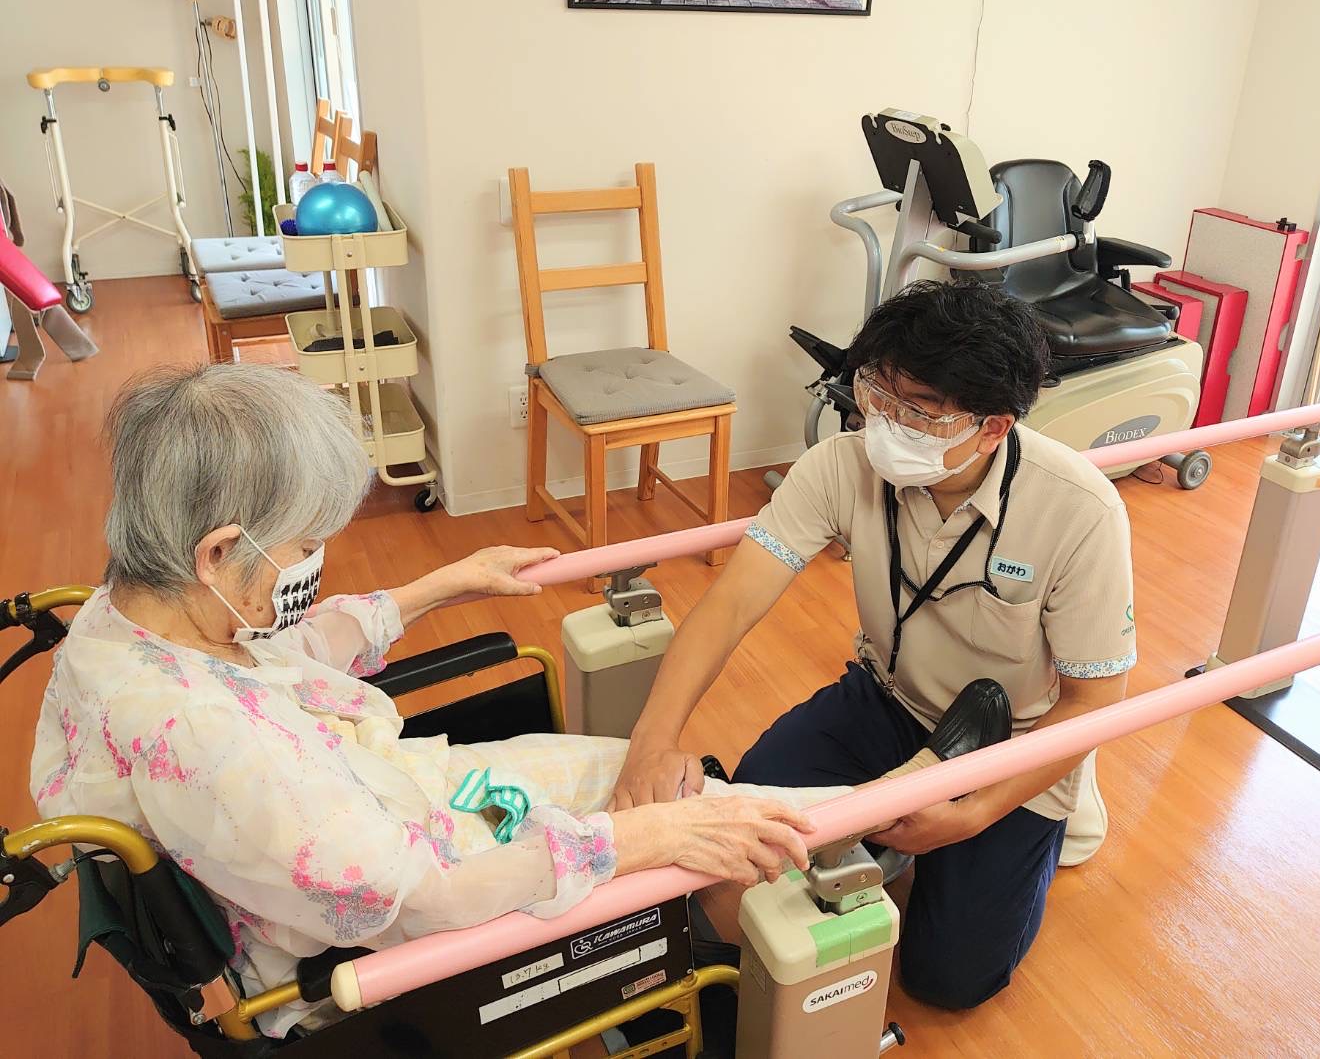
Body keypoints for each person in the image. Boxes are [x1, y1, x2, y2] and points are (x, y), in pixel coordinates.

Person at [29, 363, 983, 1038]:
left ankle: (796, 853)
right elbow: (425, 899)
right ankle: (867, 822)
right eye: (306, 545)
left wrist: (441, 585)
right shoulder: (212, 746)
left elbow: (279, 652)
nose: (316, 564)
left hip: (388, 810)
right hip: (391, 937)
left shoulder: (131, 615)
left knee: (648, 780)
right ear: (216, 552)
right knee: (690, 822)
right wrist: (639, 844)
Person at [610, 281, 1136, 1010]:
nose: (885, 424)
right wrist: (651, 741)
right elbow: (730, 605)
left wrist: (974, 814)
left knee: (949, 981)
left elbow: (1094, 700)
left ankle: (1055, 822)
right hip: (888, 698)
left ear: (992, 427)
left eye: (917, 411)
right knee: (757, 807)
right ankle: (898, 811)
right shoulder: (840, 465)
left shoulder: (1079, 510)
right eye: (875, 394)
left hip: (1014, 740)